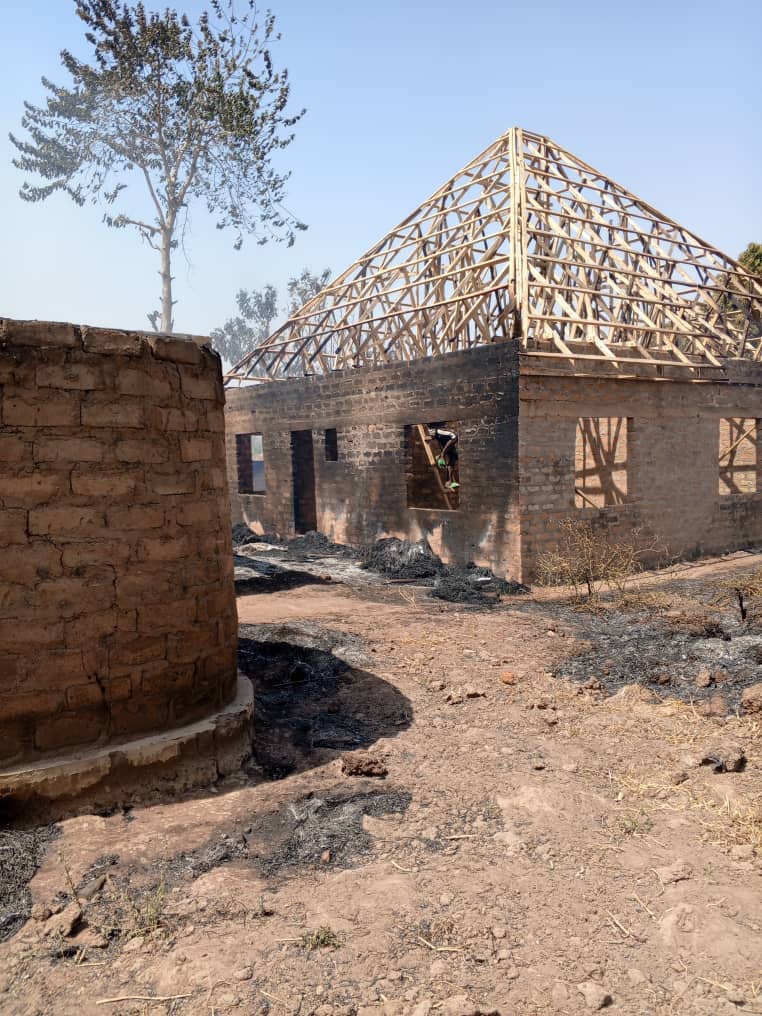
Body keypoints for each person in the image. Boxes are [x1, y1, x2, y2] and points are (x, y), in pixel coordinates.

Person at [427, 423, 459, 489]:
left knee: (453, 456)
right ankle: (441, 455)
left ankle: (448, 482)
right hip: (436, 430)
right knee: (454, 437)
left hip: (440, 431)